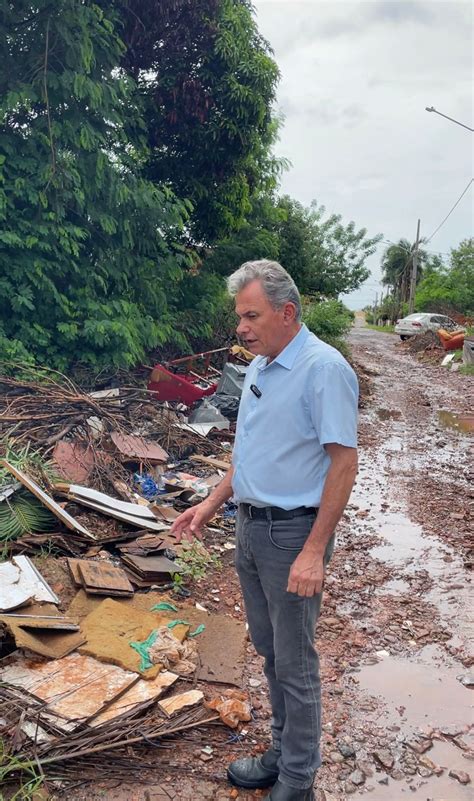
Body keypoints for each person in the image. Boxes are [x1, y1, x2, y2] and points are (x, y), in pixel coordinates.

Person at [171, 260, 358, 801]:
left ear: (287, 312)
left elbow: (343, 465)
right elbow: (248, 455)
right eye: (239, 317)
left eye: (251, 315)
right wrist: (208, 506)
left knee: (296, 663)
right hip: (250, 531)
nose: (242, 327)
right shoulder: (259, 366)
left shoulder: (324, 369)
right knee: (271, 651)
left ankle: (299, 776)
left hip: (292, 536)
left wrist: (314, 551)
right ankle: (281, 751)